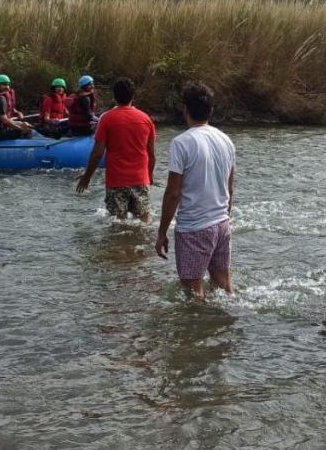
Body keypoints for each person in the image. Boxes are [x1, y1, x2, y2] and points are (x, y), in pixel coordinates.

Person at [155, 82, 236, 299]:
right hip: (222, 224)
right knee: (223, 286)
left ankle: (198, 330)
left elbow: (173, 193)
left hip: (194, 228)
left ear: (185, 110)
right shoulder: (226, 140)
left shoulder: (181, 143)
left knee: (192, 292)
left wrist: (162, 232)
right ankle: (225, 328)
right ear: (210, 110)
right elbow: (230, 187)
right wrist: (224, 216)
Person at [76, 77, 156, 222]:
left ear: (114, 96)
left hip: (116, 182)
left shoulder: (106, 119)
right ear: (133, 95)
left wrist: (87, 177)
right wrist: (149, 176)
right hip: (140, 179)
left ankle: (118, 245)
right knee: (145, 221)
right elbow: (152, 154)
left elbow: (97, 153)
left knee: (119, 224)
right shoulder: (146, 119)